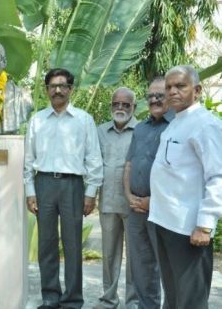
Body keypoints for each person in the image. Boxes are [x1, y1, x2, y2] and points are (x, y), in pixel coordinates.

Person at [24, 68, 103, 309]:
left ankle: (72, 299)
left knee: (72, 244)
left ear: (70, 89)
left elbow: (94, 159)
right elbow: (28, 160)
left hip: (72, 186)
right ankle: (50, 296)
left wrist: (90, 193)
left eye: (62, 86)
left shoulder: (84, 120)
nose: (57, 90)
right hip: (44, 183)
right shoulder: (37, 120)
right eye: (52, 86)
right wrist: (30, 191)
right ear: (46, 90)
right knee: (46, 244)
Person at [149, 65, 222, 309]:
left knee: (190, 301)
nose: (172, 92)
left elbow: (218, 176)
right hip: (165, 222)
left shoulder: (206, 124)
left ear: (198, 90)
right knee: (173, 297)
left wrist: (205, 224)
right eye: (169, 87)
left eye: (180, 86)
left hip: (189, 229)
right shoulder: (176, 123)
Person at [124, 77, 174, 309]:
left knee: (167, 267)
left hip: (163, 211)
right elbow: (129, 165)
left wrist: (153, 202)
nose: (154, 100)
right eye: (150, 96)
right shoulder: (140, 128)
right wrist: (129, 196)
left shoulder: (177, 127)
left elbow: (179, 175)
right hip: (136, 210)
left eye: (159, 95)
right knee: (141, 266)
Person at [95, 88, 138, 309]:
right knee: (109, 255)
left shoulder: (142, 130)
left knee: (135, 257)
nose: (120, 108)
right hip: (108, 202)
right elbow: (94, 164)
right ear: (111, 105)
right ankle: (109, 299)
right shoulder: (100, 131)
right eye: (116, 104)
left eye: (126, 104)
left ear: (134, 107)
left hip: (135, 205)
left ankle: (133, 301)